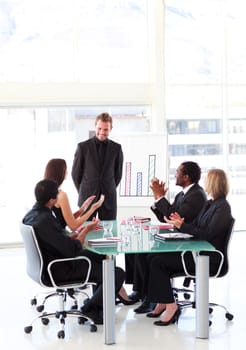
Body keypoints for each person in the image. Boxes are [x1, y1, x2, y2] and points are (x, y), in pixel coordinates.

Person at [22, 179, 125, 325]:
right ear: (51, 200)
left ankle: (98, 306)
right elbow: (72, 249)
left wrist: (76, 233)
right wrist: (86, 230)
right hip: (60, 269)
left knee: (100, 257)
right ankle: (88, 308)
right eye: (57, 195)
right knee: (116, 273)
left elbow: (57, 238)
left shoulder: (32, 215)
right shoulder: (46, 219)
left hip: (46, 264)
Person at [144, 169, 233, 326]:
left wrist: (183, 225)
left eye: (207, 179)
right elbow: (196, 226)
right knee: (152, 257)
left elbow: (207, 234)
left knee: (157, 262)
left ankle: (171, 306)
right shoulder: (210, 204)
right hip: (198, 253)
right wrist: (181, 223)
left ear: (214, 183)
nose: (204, 182)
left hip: (208, 258)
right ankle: (163, 301)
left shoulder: (222, 207)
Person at [128, 161, 207, 313]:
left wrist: (160, 198)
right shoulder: (182, 194)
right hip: (177, 238)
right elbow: (167, 217)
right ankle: (142, 293)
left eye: (177, 172)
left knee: (149, 255)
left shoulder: (196, 195)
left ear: (186, 177)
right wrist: (157, 199)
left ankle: (151, 298)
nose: (174, 175)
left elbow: (173, 216)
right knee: (138, 250)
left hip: (186, 244)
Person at [71, 112, 123, 220]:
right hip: (87, 198)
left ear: (110, 129)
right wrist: (83, 191)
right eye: (99, 128)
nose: (102, 132)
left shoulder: (116, 148)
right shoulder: (83, 147)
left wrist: (108, 187)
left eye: (105, 130)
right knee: (85, 231)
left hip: (109, 198)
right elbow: (76, 174)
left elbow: (118, 175)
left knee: (109, 231)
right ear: (95, 126)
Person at [44, 158, 104, 232]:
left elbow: (65, 220)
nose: (67, 172)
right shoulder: (61, 195)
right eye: (65, 169)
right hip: (60, 238)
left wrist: (82, 209)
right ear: (60, 172)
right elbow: (73, 226)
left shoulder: (47, 191)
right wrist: (93, 208)